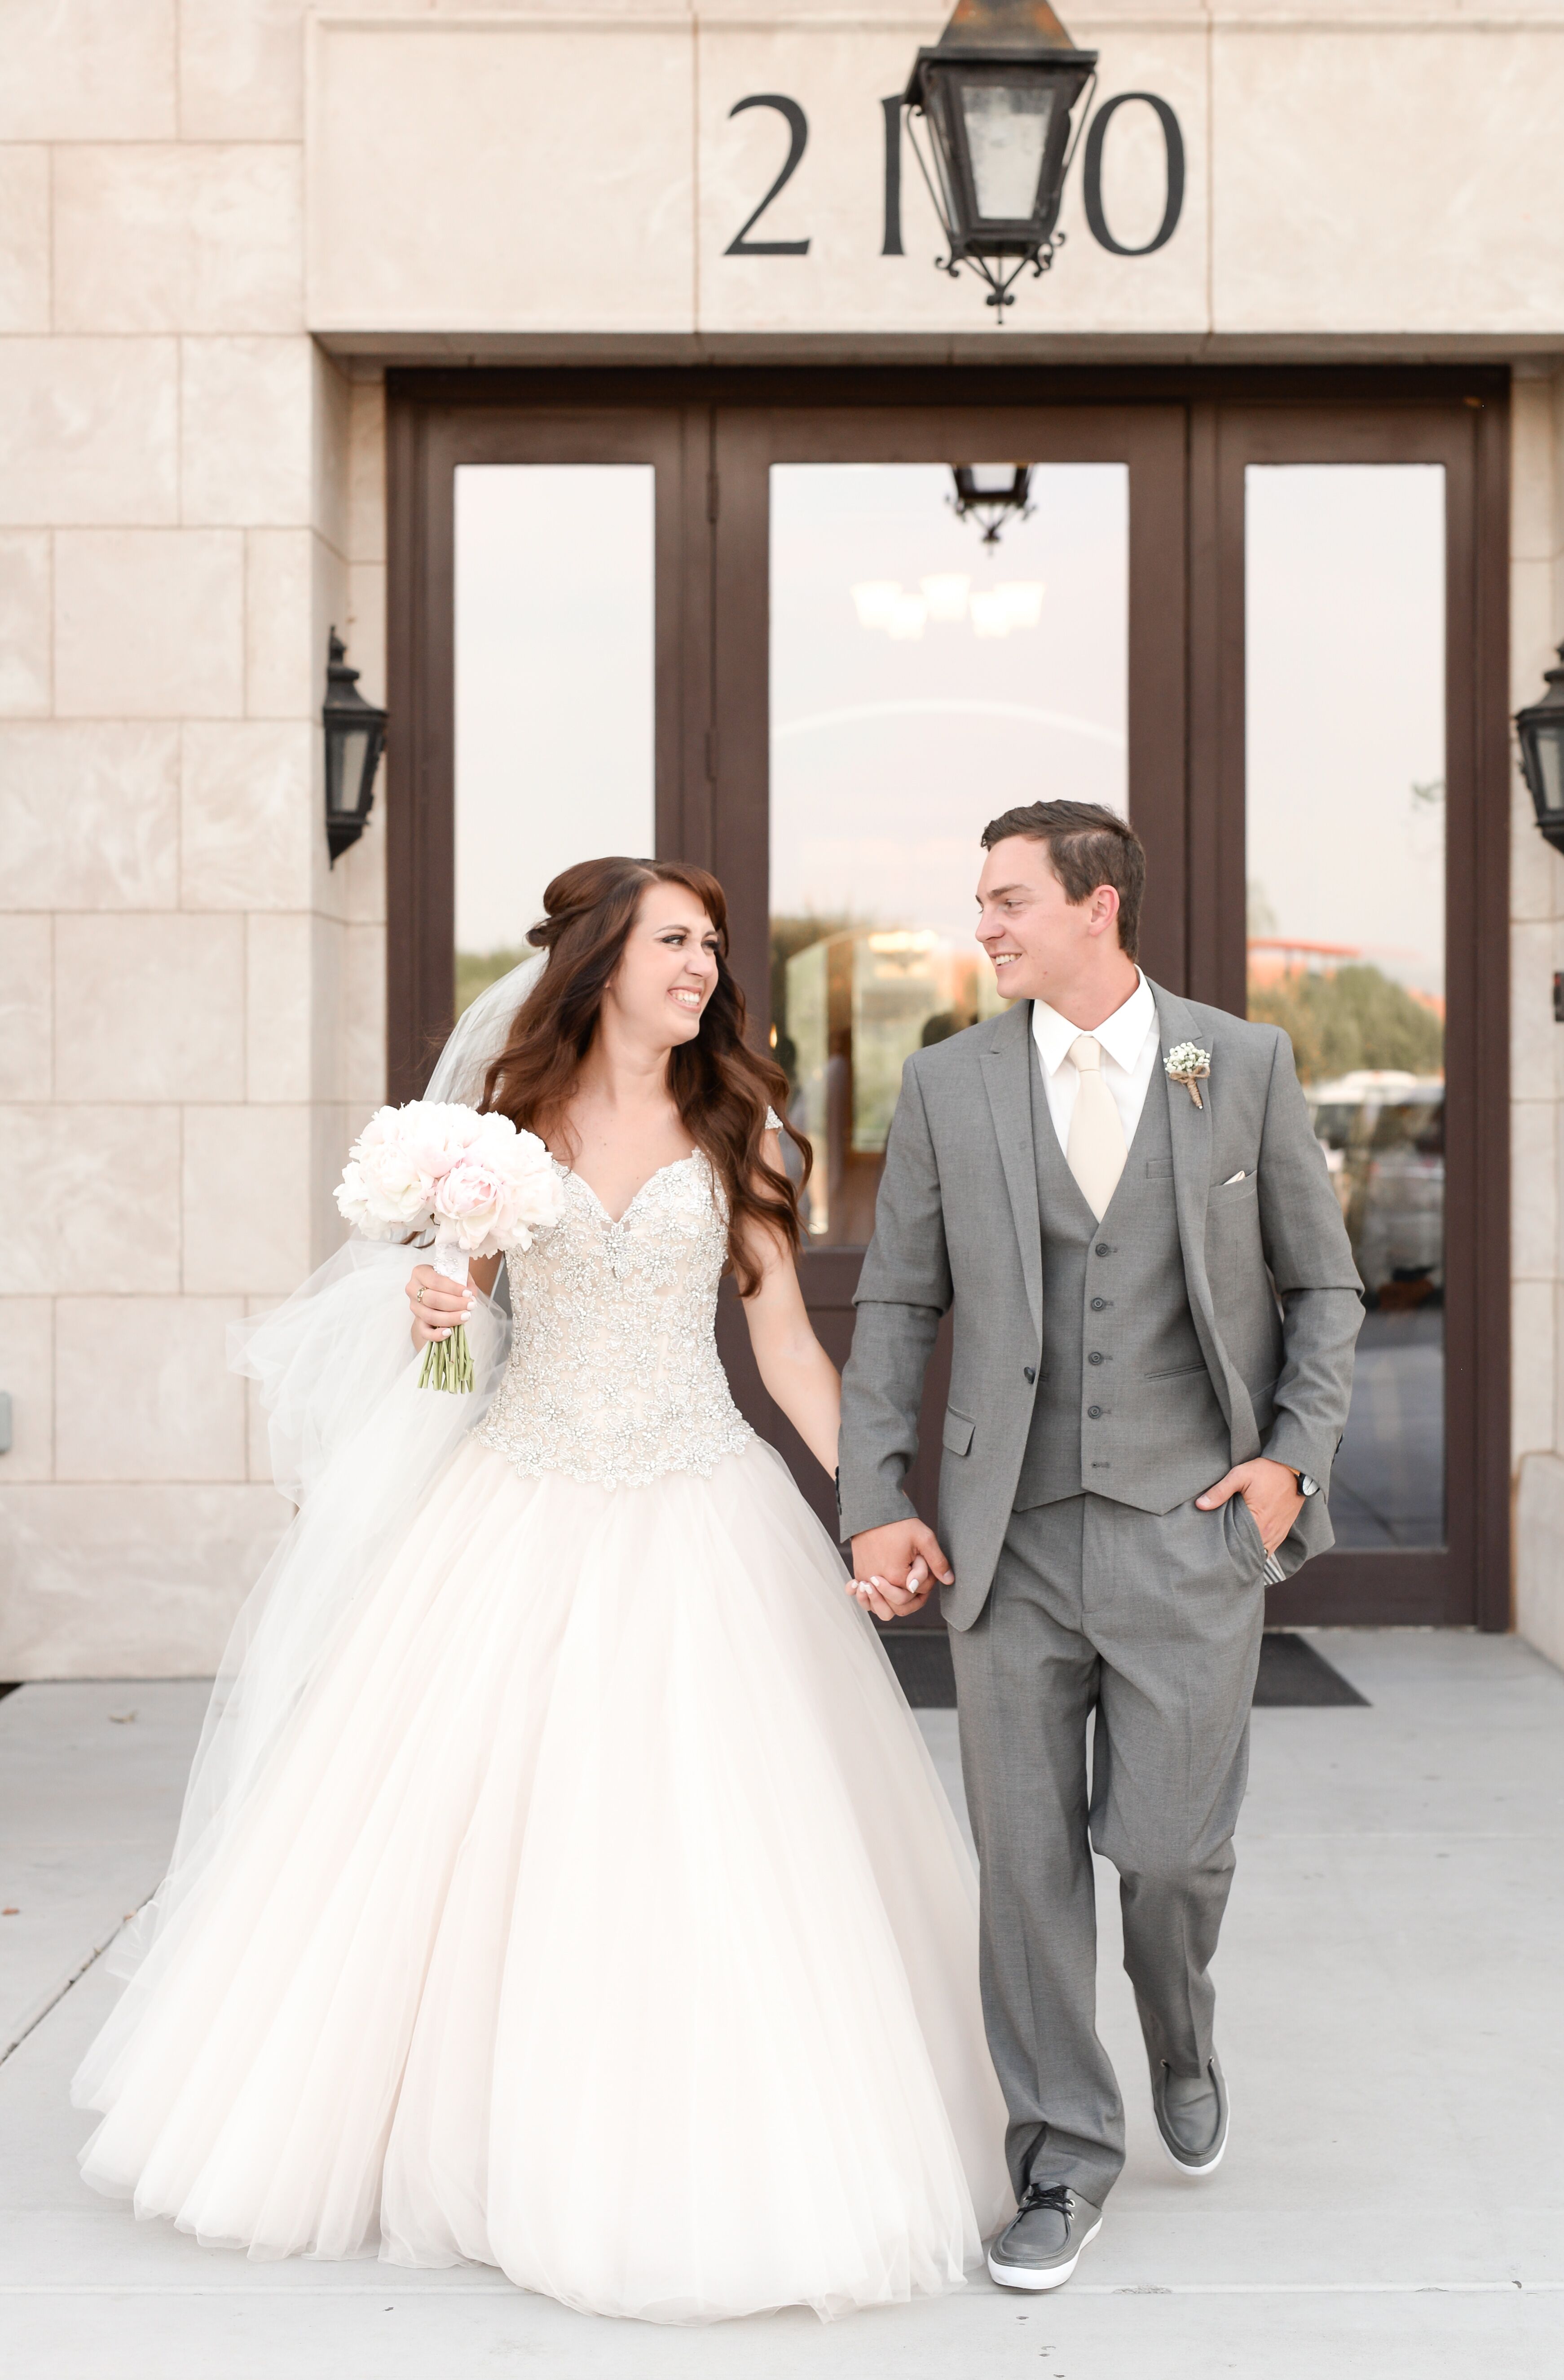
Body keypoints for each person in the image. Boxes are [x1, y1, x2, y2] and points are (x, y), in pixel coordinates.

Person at [72, 857, 1011, 2324]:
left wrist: (869, 1507)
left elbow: (784, 1354)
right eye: (673, 943)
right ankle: (475, 2138)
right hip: (517, 1493)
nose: (701, 967)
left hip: (700, 1499)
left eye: (711, 945)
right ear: (601, 963)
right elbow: (453, 1368)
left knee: (716, 1828)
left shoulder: (741, 1127)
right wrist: (437, 1313)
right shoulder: (501, 1136)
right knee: (467, 1831)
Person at [838, 802, 1362, 2293]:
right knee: (1022, 1863)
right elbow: (895, 1306)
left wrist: (1286, 1463)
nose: (985, 924)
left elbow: (1323, 1293)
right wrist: (875, 1492)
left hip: (1192, 1531)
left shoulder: (1235, 1061)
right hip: (1005, 1542)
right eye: (981, 901)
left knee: (1173, 1852)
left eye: (1008, 899)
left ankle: (1180, 2023)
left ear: (1099, 904)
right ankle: (1062, 2146)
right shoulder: (947, 1084)